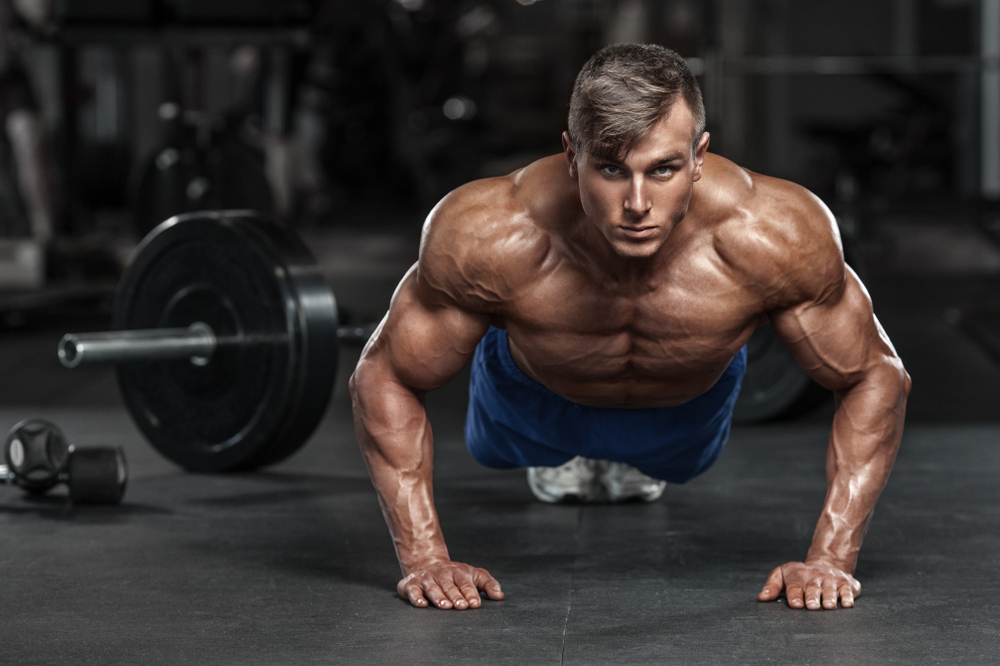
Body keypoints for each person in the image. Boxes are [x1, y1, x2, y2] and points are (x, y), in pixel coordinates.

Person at [350, 43, 910, 613]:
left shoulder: (775, 233)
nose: (637, 203)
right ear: (572, 156)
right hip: (529, 402)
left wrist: (830, 559)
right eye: (612, 169)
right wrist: (424, 559)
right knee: (496, 441)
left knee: (676, 461)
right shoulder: (489, 231)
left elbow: (875, 375)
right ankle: (568, 449)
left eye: (663, 169)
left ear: (699, 156)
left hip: (683, 415)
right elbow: (384, 374)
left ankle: (615, 459)